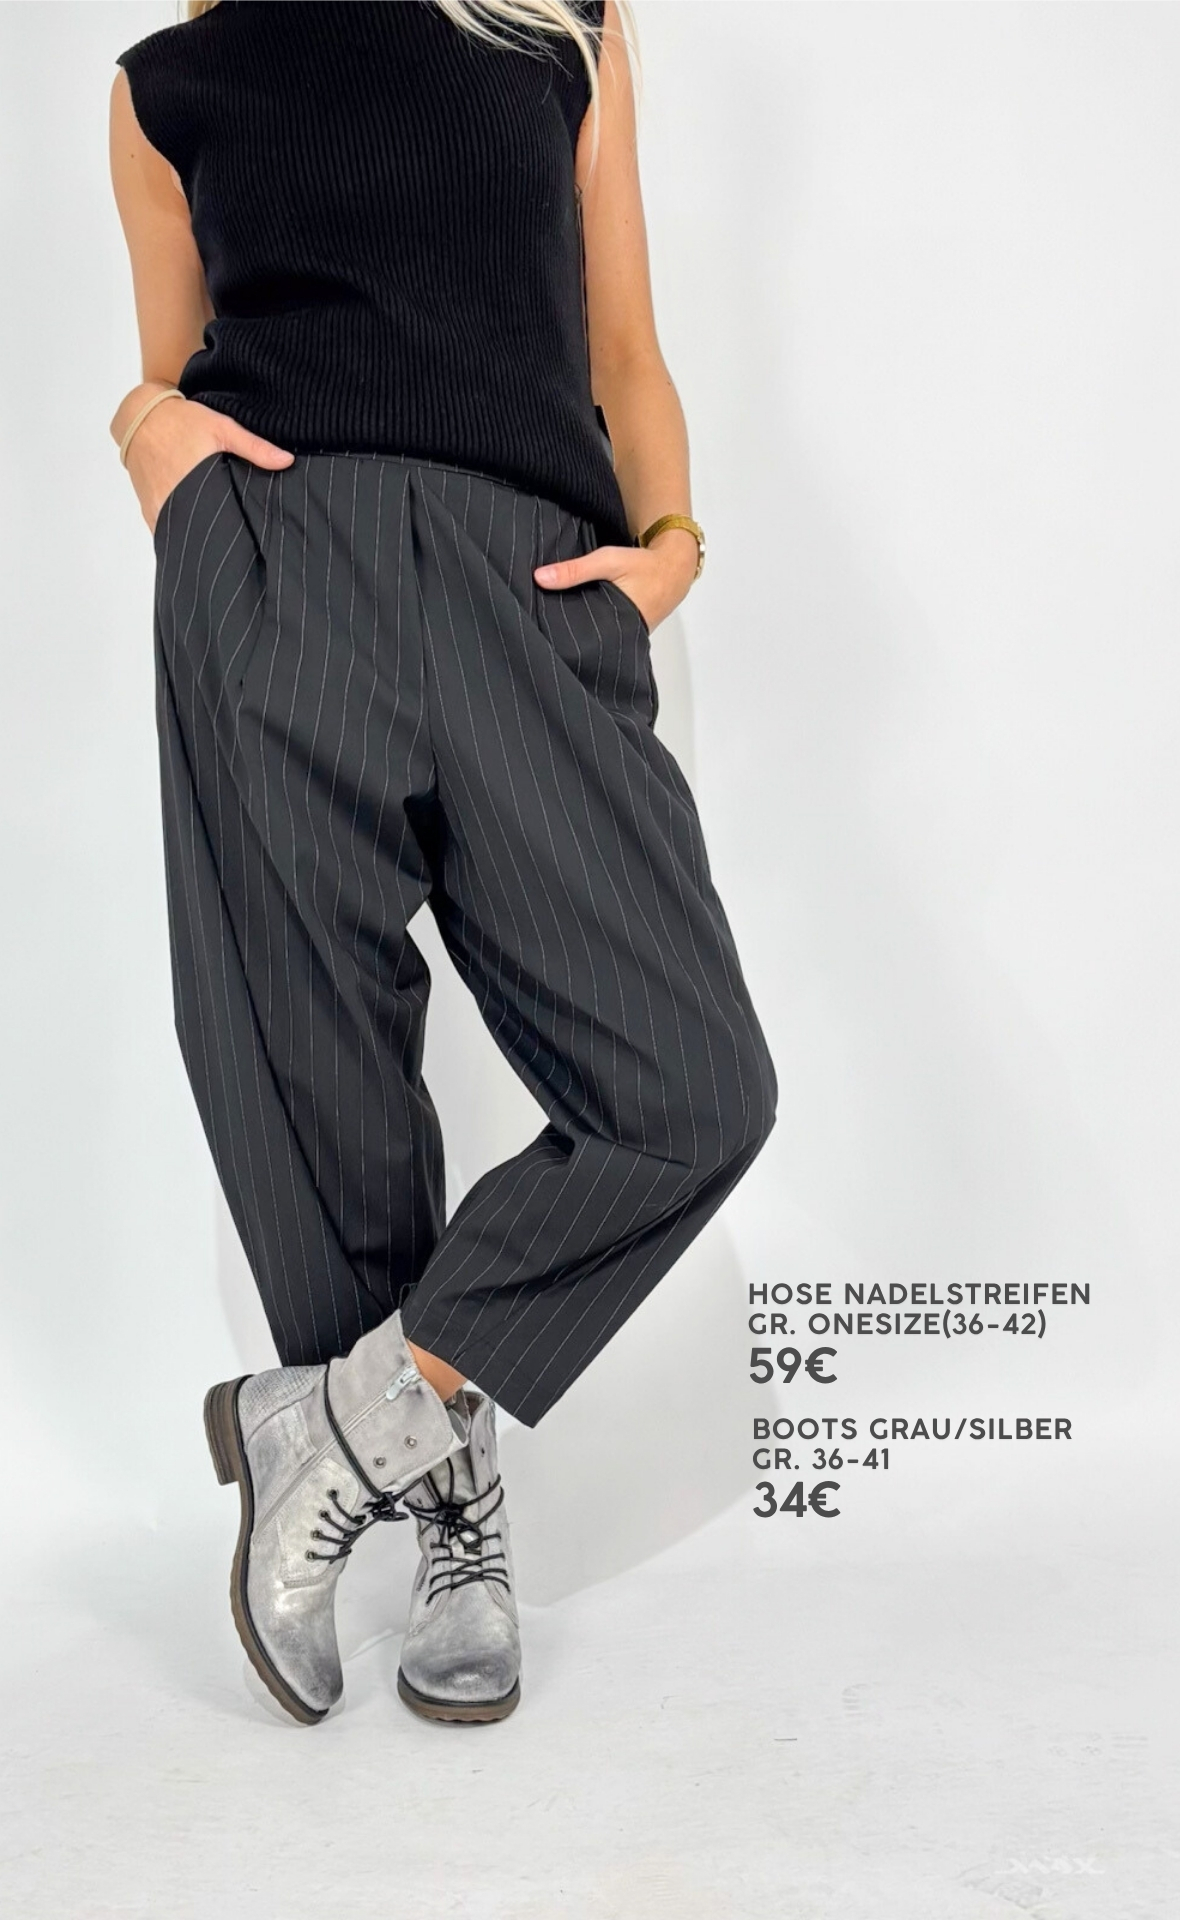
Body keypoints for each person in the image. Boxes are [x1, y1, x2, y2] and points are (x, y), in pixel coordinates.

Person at [109, 0, 777, 1730]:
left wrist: (670, 546)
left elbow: (620, 344)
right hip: (275, 566)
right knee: (302, 1072)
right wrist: (146, 438)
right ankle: (442, 1508)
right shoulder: (168, 82)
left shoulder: (562, 32)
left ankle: (330, 1426)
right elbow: (171, 366)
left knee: (689, 1089)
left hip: (528, 586)